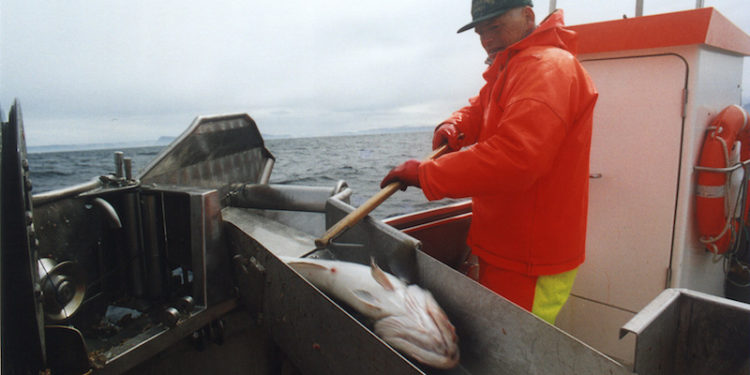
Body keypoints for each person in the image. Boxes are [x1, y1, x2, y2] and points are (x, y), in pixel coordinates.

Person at [380, 0, 598, 324]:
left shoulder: (547, 67)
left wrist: (426, 174)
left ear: (528, 16)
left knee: (517, 356)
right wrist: (453, 127)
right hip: (506, 250)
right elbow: (479, 108)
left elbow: (516, 158)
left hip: (529, 262)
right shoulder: (514, 66)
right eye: (481, 32)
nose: (487, 39)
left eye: (494, 27)